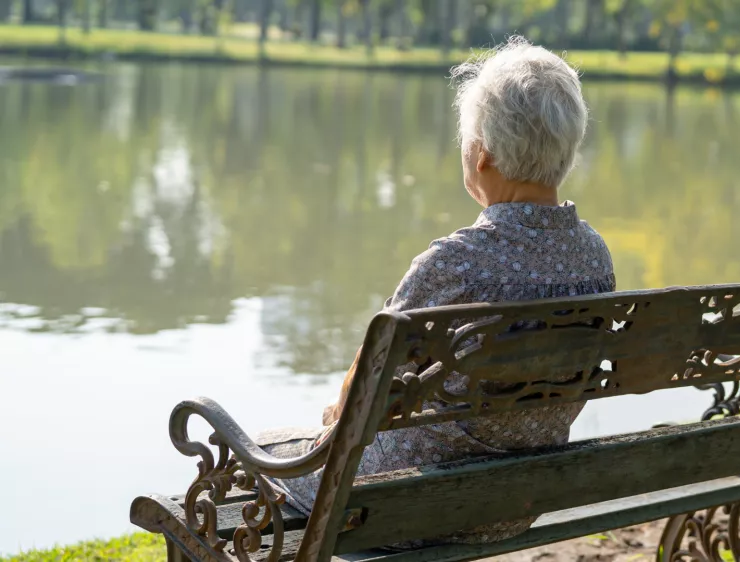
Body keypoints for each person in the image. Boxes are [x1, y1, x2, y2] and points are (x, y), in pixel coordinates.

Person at [256, 35, 615, 547]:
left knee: (258, 450)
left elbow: (362, 391)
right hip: (520, 500)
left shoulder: (454, 263)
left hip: (406, 504)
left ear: (482, 155)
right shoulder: (595, 257)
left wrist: (330, 424)